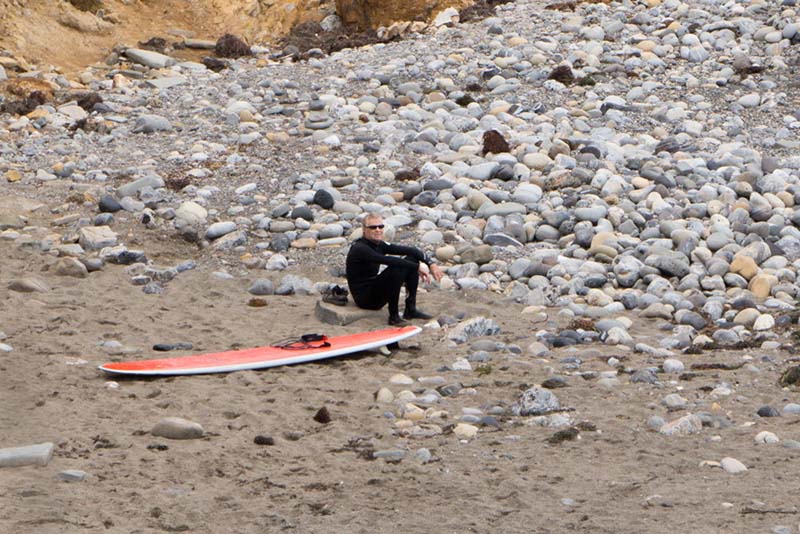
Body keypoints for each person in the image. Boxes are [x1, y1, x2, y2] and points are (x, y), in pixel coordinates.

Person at [346, 214, 444, 326]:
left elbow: (412, 250)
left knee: (412, 258)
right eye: (373, 227)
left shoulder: (379, 244)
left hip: (375, 289)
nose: (378, 230)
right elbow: (388, 260)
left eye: (380, 226)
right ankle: (394, 317)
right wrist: (417, 267)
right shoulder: (360, 248)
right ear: (364, 230)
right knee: (398, 266)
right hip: (365, 299)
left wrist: (431, 264)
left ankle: (410, 310)